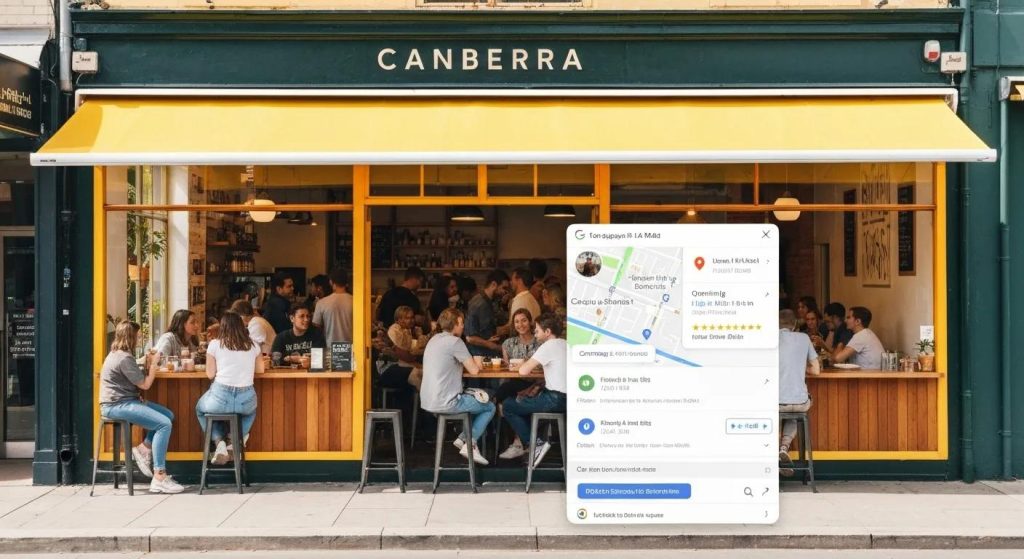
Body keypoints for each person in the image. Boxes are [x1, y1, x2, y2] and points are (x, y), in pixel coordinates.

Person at [99, 321, 185, 494]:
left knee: (168, 415)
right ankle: (159, 476)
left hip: (125, 401)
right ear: (131, 336)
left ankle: (143, 449)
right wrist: (154, 364)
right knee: (164, 424)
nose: (140, 338)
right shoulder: (124, 358)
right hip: (117, 405)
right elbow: (145, 384)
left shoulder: (118, 354)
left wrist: (146, 361)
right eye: (138, 336)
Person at [420, 308, 494, 466]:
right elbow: (474, 370)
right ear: (454, 324)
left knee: (477, 401)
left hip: (428, 401)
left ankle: (462, 439)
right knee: (489, 406)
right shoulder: (455, 342)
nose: (463, 327)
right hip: (447, 402)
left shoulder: (433, 340)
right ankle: (470, 443)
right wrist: (477, 362)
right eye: (461, 323)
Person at [195, 311, 263, 465]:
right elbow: (260, 370)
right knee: (250, 413)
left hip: (220, 398)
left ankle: (220, 444)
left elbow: (210, 374)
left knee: (200, 409)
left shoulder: (214, 345)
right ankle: (234, 442)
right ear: (241, 326)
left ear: (222, 327)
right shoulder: (252, 345)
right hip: (246, 400)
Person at [503, 313, 568, 467]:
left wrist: (521, 366)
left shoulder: (548, 346)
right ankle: (535, 443)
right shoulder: (565, 343)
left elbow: (524, 371)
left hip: (555, 400)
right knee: (524, 401)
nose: (535, 333)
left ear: (548, 332)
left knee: (508, 406)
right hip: (568, 399)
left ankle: (534, 444)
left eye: (538, 330)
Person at [496, 308, 543, 460]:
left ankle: (519, 444)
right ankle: (521, 443)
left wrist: (534, 387)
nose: (520, 324)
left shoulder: (540, 342)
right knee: (511, 393)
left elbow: (545, 372)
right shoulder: (508, 344)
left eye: (523, 320)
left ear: (530, 322)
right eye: (516, 321)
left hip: (537, 386)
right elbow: (507, 372)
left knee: (507, 398)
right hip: (514, 385)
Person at [778, 309, 820, 476]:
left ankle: (773, 455)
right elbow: (816, 370)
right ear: (795, 324)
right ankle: (784, 447)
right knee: (796, 409)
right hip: (800, 403)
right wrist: (800, 368)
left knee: (775, 411)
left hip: (776, 403)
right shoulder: (804, 338)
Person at [464, 270, 509, 358]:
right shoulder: (478, 304)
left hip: (489, 354)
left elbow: (487, 329)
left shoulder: (492, 302)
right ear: (493, 285)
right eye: (504, 288)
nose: (505, 292)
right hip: (479, 356)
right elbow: (470, 337)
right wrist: (494, 346)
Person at [383, 305, 424, 389]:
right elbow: (400, 353)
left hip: (404, 362)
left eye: (412, 318)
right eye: (408, 318)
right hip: (392, 365)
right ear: (399, 320)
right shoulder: (394, 330)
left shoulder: (407, 330)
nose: (412, 321)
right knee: (417, 373)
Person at [313, 268, 354, 344]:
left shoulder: (321, 303)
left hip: (330, 347)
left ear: (331, 282)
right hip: (352, 347)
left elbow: (316, 325)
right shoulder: (355, 302)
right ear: (346, 283)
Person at [508, 267, 542, 332]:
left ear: (520, 281)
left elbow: (514, 326)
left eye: (512, 279)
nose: (510, 282)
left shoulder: (519, 300)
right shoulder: (532, 298)